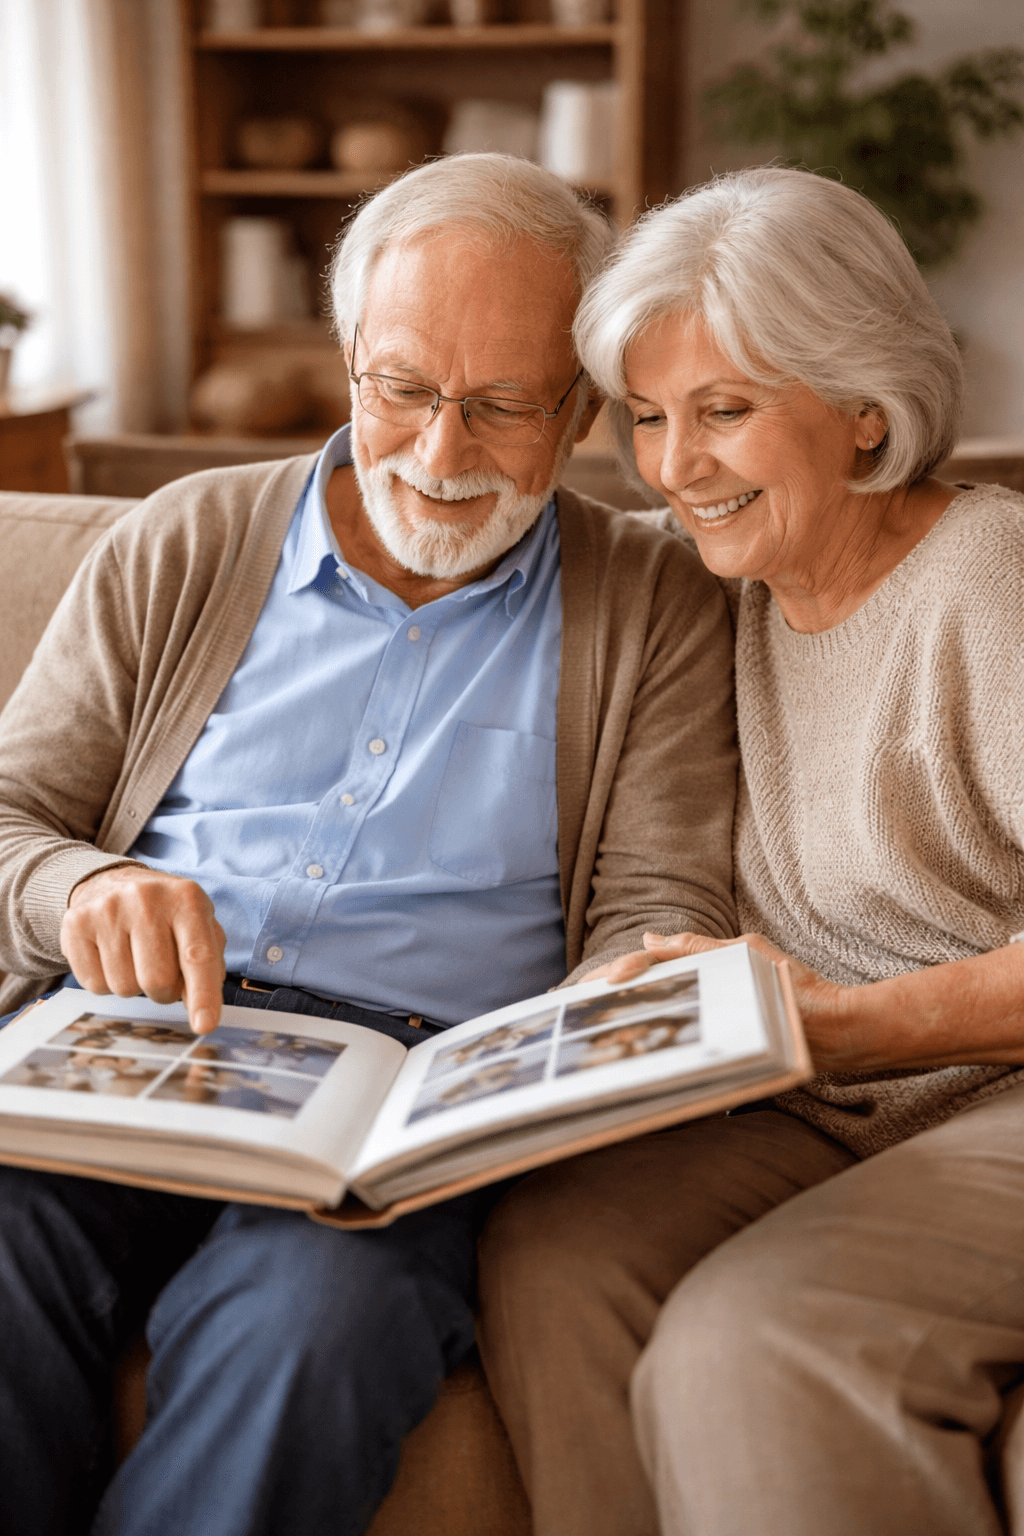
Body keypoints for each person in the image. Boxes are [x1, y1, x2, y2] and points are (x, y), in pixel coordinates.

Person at [0, 154, 738, 1536]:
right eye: (402, 389)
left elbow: (661, 900)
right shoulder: (187, 540)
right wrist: (84, 885)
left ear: (580, 410)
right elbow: (8, 817)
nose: (441, 455)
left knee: (317, 1326)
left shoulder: (656, 602)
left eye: (502, 406)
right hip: (125, 1048)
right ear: (347, 358)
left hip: (404, 1109)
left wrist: (615, 1000)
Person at [476, 165, 1024, 1536]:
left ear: (864, 408)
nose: (676, 468)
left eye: (725, 412)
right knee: (556, 1253)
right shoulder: (699, 583)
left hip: (986, 1088)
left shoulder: (987, 583)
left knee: (752, 1335)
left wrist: (850, 1029)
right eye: (651, 420)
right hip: (815, 1092)